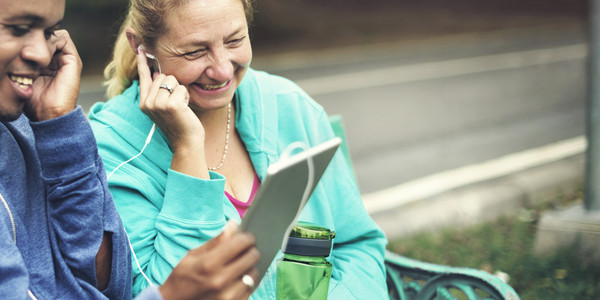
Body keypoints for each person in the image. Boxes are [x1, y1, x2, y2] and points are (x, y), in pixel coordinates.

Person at [88, 0, 389, 298]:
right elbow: (168, 292)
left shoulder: (289, 104)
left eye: (235, 41)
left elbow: (357, 245)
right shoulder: (109, 151)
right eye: (195, 51)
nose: (221, 70)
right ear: (140, 46)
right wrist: (187, 150)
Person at [0, 0, 259, 299]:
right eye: (19, 29)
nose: (43, 54)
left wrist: (59, 125)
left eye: (49, 32)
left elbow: (98, 284)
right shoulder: (112, 142)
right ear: (144, 51)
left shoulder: (24, 124)